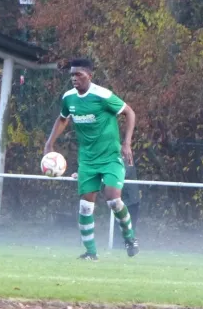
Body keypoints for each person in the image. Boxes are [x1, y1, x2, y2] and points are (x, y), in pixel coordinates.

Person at [44, 58, 138, 261]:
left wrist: (127, 143)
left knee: (113, 198)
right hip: (87, 160)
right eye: (71, 75)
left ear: (90, 75)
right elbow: (62, 119)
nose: (74, 78)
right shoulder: (69, 98)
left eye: (78, 74)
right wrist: (49, 144)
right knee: (86, 206)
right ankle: (90, 252)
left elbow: (129, 112)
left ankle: (130, 238)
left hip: (111, 157)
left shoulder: (102, 95)